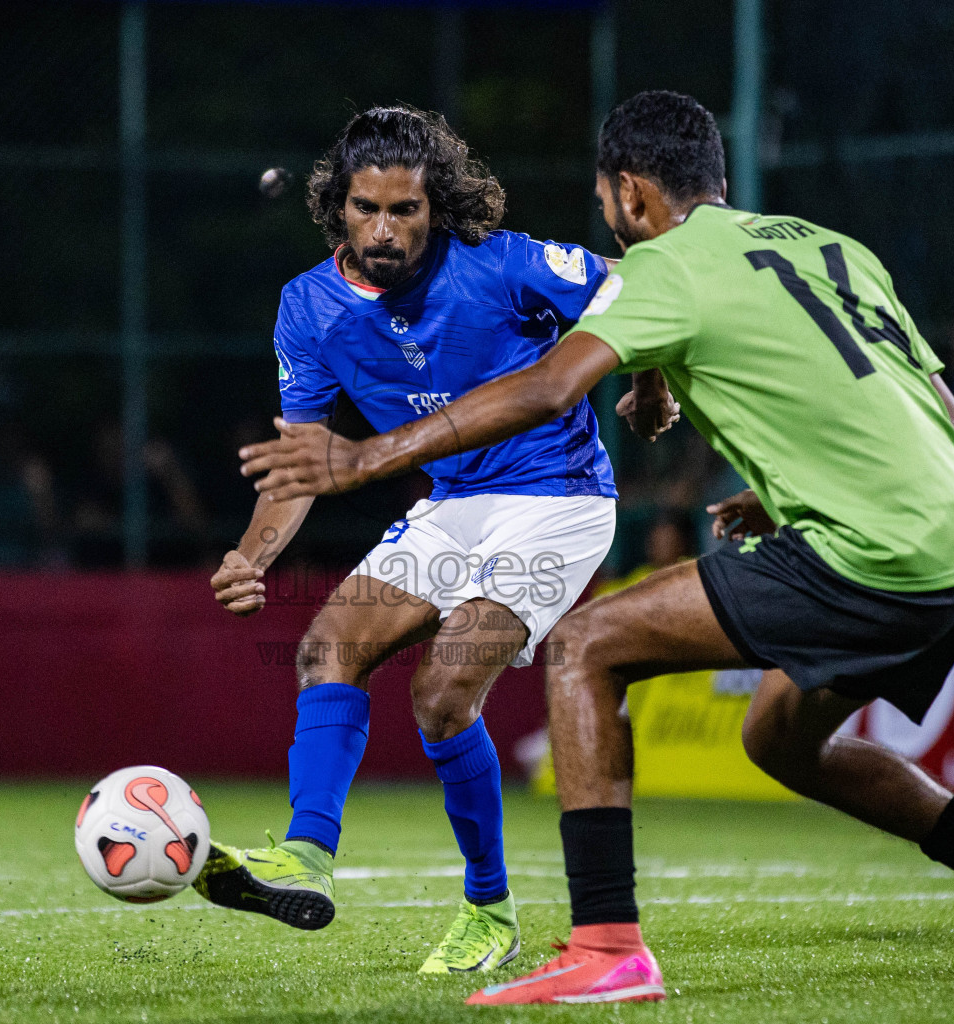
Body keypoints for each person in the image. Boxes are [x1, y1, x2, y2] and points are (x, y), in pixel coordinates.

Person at [238, 90, 954, 1002]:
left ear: (630, 193)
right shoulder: (829, 248)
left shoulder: (661, 270)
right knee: (782, 743)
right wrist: (787, 496)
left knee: (588, 648)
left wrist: (366, 457)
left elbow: (548, 389)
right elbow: (953, 429)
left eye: (604, 200)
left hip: (860, 556)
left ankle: (606, 945)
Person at [198, 106, 634, 974]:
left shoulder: (500, 263)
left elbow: (634, 284)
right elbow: (303, 461)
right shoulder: (308, 308)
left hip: (559, 498)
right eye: (367, 209)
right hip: (455, 502)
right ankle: (306, 857)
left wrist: (654, 381)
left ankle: (488, 907)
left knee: (443, 690)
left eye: (406, 210)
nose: (385, 230)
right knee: (328, 647)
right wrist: (252, 555)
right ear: (339, 206)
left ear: (437, 206)